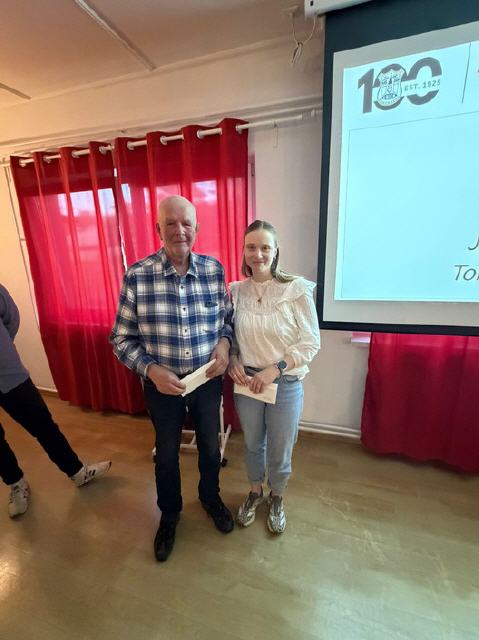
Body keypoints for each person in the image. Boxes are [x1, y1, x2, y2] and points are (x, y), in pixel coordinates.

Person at [110, 195, 234, 563]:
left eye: (186, 223)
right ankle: (169, 513)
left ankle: (210, 498)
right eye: (171, 223)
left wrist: (224, 345)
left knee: (210, 447)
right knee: (165, 454)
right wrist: (151, 369)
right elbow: (120, 339)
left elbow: (227, 321)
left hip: (206, 380)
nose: (180, 230)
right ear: (158, 229)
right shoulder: (137, 275)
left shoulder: (214, 270)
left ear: (197, 228)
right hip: (161, 386)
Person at [228, 220, 320, 534]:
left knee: (281, 448)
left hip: (284, 383)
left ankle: (277, 496)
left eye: (265, 247)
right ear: (243, 251)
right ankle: (255, 492)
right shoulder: (236, 292)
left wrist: (275, 369)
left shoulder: (296, 289)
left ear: (276, 251)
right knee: (253, 444)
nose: (258, 254)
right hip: (248, 383)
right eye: (251, 247)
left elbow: (311, 343)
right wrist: (233, 358)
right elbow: (231, 336)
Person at [0, 283, 112, 519]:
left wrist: (3, 349)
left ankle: (77, 472)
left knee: (44, 426)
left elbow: (11, 319)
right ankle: (16, 484)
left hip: (10, 375)